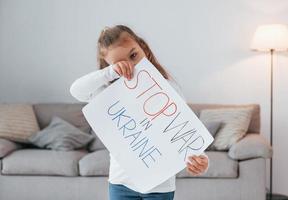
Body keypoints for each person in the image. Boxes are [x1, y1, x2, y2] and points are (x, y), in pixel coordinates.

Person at [69, 25, 209, 200]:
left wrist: (199, 158)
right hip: (121, 184)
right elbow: (76, 90)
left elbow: (182, 128)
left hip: (161, 186)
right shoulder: (107, 91)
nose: (130, 65)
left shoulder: (167, 88)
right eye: (118, 64)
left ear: (143, 47)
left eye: (133, 55)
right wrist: (110, 73)